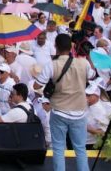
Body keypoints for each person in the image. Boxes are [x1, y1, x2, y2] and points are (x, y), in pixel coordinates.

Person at [33, 33, 91, 171]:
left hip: (59, 110)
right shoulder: (84, 63)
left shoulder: (52, 65)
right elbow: (92, 75)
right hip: (79, 111)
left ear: (56, 47)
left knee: (58, 148)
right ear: (71, 47)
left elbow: (36, 85)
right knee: (80, 149)